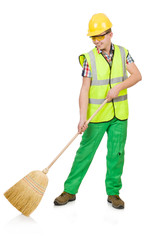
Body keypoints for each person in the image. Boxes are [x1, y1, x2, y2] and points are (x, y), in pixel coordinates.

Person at [54, 13, 142, 209]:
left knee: (116, 154)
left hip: (119, 115)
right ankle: (69, 190)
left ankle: (114, 193)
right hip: (97, 116)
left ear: (110, 34)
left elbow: (137, 76)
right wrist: (82, 118)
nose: (96, 41)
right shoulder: (89, 59)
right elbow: (84, 89)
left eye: (100, 36)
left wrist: (118, 87)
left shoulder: (123, 53)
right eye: (93, 37)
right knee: (84, 153)